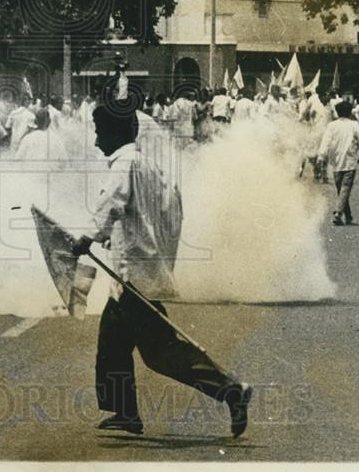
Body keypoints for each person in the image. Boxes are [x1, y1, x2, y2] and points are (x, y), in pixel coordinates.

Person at [70, 99, 252, 437]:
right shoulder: (149, 166)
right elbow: (168, 212)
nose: (96, 141)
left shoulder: (124, 164)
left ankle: (231, 390)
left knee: (161, 354)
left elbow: (110, 203)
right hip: (138, 271)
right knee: (111, 344)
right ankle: (125, 412)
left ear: (115, 131)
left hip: (135, 276)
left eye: (99, 132)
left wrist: (89, 237)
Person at [317, 101, 359, 225]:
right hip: (350, 161)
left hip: (335, 161)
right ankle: (342, 214)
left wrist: (321, 156)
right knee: (344, 189)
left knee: (342, 188)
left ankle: (344, 214)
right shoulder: (354, 125)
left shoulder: (332, 126)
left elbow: (325, 141)